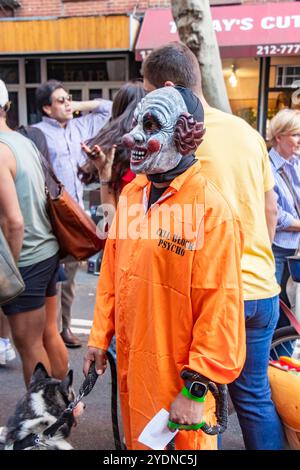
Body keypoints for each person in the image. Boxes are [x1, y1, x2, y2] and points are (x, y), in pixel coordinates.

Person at [83, 86, 246, 450]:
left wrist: (197, 387)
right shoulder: (132, 194)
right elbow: (111, 271)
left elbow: (220, 308)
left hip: (179, 387)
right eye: (137, 122)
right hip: (132, 369)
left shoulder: (211, 211)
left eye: (152, 124)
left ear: (185, 137)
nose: (132, 136)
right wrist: (98, 336)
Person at [141, 42, 284, 450]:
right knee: (253, 398)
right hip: (261, 290)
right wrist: (255, 258)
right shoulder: (245, 131)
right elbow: (269, 208)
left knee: (191, 402)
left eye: (149, 90)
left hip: (210, 299)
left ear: (167, 88)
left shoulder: (176, 143)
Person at [34, 80, 112, 348]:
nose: (67, 103)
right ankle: (49, 331)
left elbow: (108, 109)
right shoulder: (37, 133)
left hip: (76, 217)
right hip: (50, 216)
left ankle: (64, 327)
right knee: (50, 278)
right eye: (60, 100)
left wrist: (76, 105)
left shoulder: (81, 126)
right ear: (46, 108)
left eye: (69, 98)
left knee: (69, 280)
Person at [0, 79, 68, 387]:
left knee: (29, 347)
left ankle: (43, 424)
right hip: (48, 250)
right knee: (48, 333)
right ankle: (66, 408)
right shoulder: (22, 140)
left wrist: (8, 274)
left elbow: (13, 222)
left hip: (24, 258)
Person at [79, 81, 146, 225]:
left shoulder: (113, 150)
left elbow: (112, 221)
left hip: (121, 233)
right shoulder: (153, 152)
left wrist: (105, 177)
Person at [268, 109, 300, 316]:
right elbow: (275, 214)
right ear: (279, 136)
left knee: (294, 307)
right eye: (296, 135)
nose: (299, 140)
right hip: (278, 248)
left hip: (296, 247)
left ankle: (285, 347)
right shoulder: (267, 166)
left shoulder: (296, 163)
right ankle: (277, 348)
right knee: (279, 309)